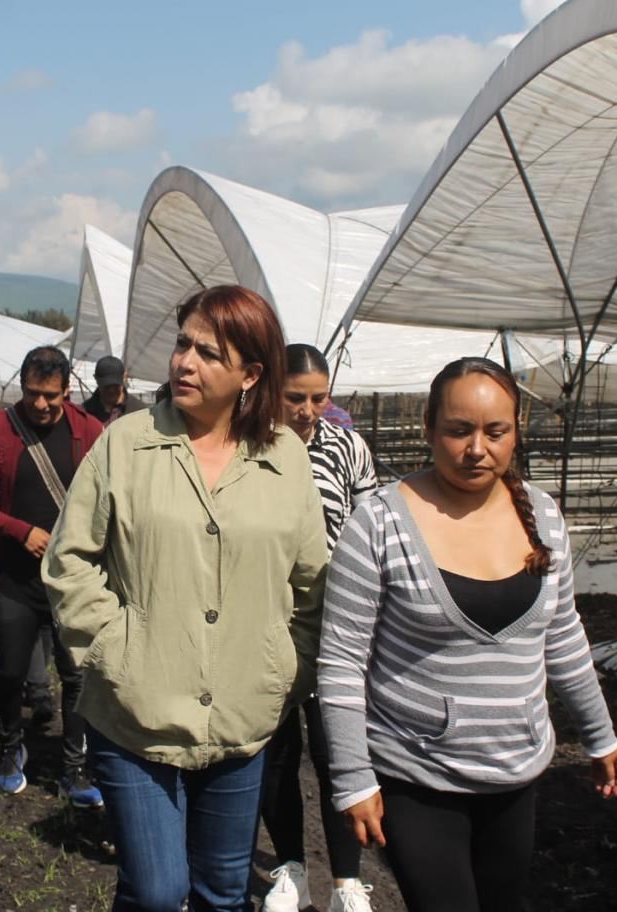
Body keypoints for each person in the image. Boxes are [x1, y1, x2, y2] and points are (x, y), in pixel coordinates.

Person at [44, 284, 328, 911]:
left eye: (208, 352)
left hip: (243, 713)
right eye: (182, 344)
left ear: (251, 374)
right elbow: (69, 561)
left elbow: (312, 583)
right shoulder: (127, 443)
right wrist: (113, 652)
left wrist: (288, 667)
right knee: (156, 890)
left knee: (223, 893)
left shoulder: (285, 457)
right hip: (133, 711)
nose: (184, 362)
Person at [318, 357, 617, 912]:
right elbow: (341, 659)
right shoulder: (379, 523)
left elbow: (562, 637)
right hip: (417, 775)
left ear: (515, 434)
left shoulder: (544, 515)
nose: (476, 449)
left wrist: (599, 735)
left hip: (515, 770)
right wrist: (352, 778)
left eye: (495, 431)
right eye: (459, 430)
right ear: (430, 430)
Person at [0, 345, 105, 805]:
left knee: (78, 677)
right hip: (13, 580)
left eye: (50, 396)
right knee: (9, 674)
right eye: (32, 394)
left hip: (72, 582)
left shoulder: (91, 432)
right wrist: (19, 531)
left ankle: (74, 768)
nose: (40, 405)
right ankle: (10, 749)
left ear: (68, 391)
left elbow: (110, 495)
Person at [260, 343, 378, 912]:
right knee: (278, 751)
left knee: (337, 749)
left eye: (318, 398)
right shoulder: (252, 447)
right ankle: (290, 868)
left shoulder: (349, 447)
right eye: (296, 398)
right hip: (270, 621)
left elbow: (369, 532)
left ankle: (347, 882)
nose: (308, 409)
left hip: (335, 622)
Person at [82, 355, 143, 426]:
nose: (111, 390)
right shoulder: (84, 414)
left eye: (115, 384)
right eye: (106, 385)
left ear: (125, 377)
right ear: (96, 378)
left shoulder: (139, 411)